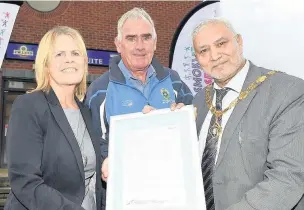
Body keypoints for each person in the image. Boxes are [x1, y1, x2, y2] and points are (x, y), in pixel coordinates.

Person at [85, 7, 193, 209]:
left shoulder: (175, 83)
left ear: (155, 42)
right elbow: (90, 145)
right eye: (131, 38)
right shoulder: (99, 91)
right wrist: (106, 160)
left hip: (172, 196)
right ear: (119, 44)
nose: (140, 46)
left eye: (146, 37)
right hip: (123, 197)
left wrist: (186, 120)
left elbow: (197, 130)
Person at [192, 18, 304, 210]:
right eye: (204, 50)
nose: (215, 55)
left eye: (221, 44)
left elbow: (288, 177)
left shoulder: (286, 91)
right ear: (197, 58)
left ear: (239, 42)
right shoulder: (199, 101)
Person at [5, 26, 102, 210]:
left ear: (84, 61)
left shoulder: (87, 112)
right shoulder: (28, 106)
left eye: (75, 52)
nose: (69, 59)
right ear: (46, 64)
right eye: (59, 54)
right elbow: (25, 183)